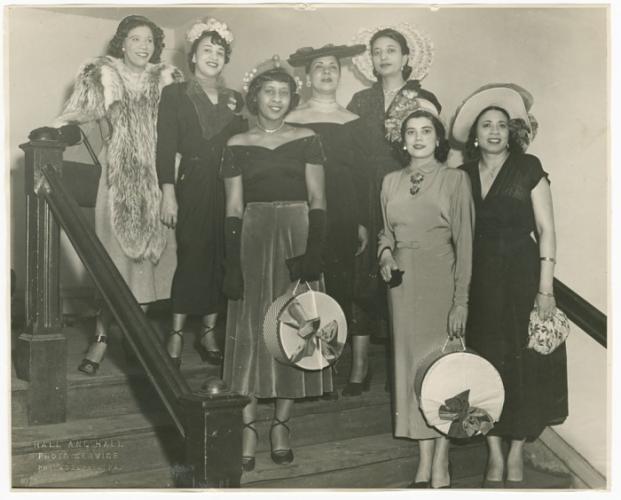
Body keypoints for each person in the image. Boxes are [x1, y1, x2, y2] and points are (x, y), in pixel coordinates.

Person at [452, 84, 568, 487]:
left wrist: (546, 288)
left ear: (511, 131)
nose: (495, 131)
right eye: (487, 125)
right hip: (478, 281)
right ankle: (494, 452)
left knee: (523, 368)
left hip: (520, 278)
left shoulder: (528, 167)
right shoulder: (461, 175)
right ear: (475, 134)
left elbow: (547, 230)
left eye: (502, 124)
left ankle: (516, 451)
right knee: (485, 365)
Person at [220, 59, 333, 473]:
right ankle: (248, 426)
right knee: (252, 328)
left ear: (291, 99)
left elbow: (318, 198)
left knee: (293, 326)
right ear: (255, 98)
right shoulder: (236, 143)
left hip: (298, 234)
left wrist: (314, 251)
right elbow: (233, 206)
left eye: (284, 93)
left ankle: (282, 424)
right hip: (252, 234)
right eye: (269, 92)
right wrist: (232, 263)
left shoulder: (308, 138)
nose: (276, 100)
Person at [54, 15, 183, 375]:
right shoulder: (102, 77)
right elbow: (76, 118)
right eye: (136, 39)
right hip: (117, 183)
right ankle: (101, 339)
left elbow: (183, 131)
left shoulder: (169, 80)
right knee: (114, 267)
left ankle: (132, 337)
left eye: (150, 40)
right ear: (122, 43)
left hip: (159, 183)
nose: (144, 46)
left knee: (145, 272)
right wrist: (56, 132)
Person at [378, 106, 474, 488]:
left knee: (442, 368)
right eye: (411, 132)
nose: (418, 138)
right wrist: (384, 253)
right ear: (403, 141)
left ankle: (443, 459)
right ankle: (423, 459)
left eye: (426, 131)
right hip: (402, 286)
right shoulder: (389, 181)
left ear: (438, 139)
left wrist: (460, 300)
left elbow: (465, 244)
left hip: (441, 280)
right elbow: (385, 231)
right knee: (410, 368)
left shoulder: (455, 180)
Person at [347, 24, 440, 391]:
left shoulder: (423, 97)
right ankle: (358, 365)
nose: (383, 57)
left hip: (408, 195)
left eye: (390, 50)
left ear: (405, 57)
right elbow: (351, 159)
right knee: (362, 276)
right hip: (366, 194)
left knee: (406, 275)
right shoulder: (360, 101)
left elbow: (435, 149)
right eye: (376, 51)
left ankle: (410, 368)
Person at [156, 18, 247, 368]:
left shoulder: (234, 100)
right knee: (193, 252)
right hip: (192, 181)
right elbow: (165, 146)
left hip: (230, 183)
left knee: (223, 255)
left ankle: (208, 332)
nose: (213, 56)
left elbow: (242, 146)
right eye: (206, 50)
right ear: (192, 56)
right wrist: (168, 191)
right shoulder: (175, 94)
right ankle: (177, 332)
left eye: (220, 51)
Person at [286, 43, 371, 397]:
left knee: (348, 287)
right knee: (310, 288)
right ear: (307, 76)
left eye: (333, 67)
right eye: (319, 66)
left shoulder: (355, 122)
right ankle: (318, 365)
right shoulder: (292, 119)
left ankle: (360, 367)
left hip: (346, 210)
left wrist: (364, 221)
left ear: (340, 74)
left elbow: (364, 176)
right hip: (307, 210)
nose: (326, 72)